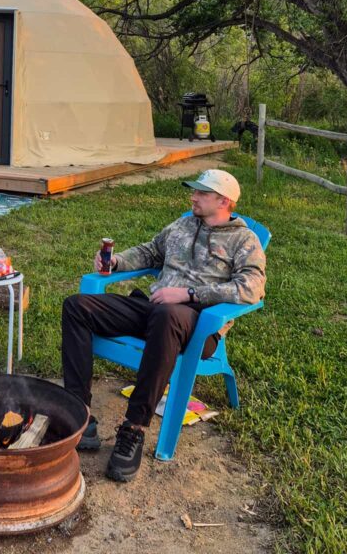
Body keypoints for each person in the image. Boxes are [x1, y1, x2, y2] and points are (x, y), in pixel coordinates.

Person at [61, 169, 266, 482]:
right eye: (193, 191)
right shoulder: (183, 224)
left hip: (196, 324)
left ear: (224, 201)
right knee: (77, 306)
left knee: (168, 313)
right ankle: (79, 414)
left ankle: (134, 429)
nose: (193, 197)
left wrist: (189, 294)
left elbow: (252, 287)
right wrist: (116, 262)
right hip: (153, 310)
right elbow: (150, 251)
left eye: (201, 193)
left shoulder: (244, 240)